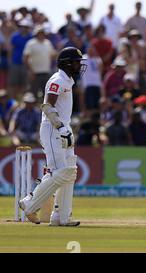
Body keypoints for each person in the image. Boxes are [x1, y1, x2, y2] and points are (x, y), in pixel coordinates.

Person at [18, 47, 87, 226]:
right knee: (60, 171)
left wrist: (66, 128)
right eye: (76, 62)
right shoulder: (57, 79)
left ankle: (61, 217)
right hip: (52, 129)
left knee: (70, 172)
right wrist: (60, 127)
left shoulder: (68, 80)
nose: (79, 65)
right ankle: (29, 204)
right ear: (66, 63)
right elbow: (47, 106)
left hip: (64, 128)